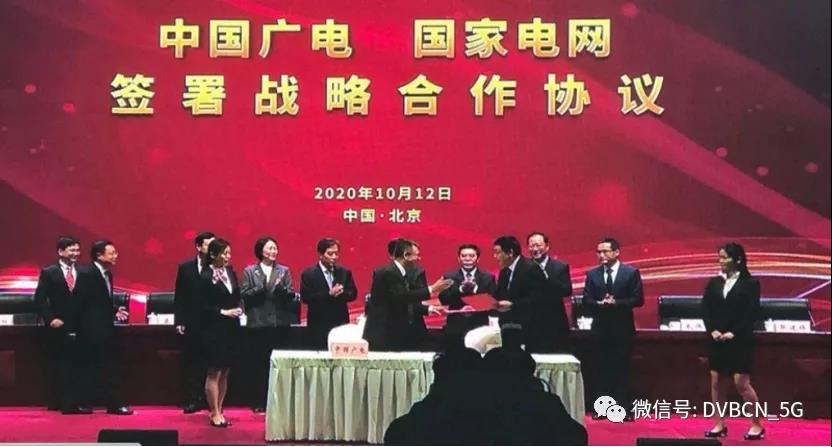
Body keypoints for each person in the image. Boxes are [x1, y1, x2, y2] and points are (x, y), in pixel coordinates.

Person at [702, 242, 764, 440]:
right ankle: (719, 424)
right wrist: (712, 330)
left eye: (725, 257)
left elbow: (751, 313)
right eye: (719, 257)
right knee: (717, 383)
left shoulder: (750, 284)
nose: (720, 261)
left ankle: (757, 424)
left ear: (738, 260)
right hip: (717, 340)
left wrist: (733, 332)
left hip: (740, 340)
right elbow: (705, 309)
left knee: (741, 383)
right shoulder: (714, 282)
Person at [582, 237, 643, 422]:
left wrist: (616, 303)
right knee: (601, 369)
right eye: (599, 252)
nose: (601, 255)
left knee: (622, 369)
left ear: (616, 252)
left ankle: (623, 409)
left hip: (622, 328)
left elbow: (638, 299)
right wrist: (600, 304)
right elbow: (586, 300)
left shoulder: (630, 273)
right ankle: (602, 408)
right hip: (600, 329)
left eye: (605, 251)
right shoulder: (592, 274)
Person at [74, 240, 132, 415]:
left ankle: (113, 404)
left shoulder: (108, 274)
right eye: (111, 253)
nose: (115, 256)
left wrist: (114, 310)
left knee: (109, 366)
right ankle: (84, 403)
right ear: (99, 255)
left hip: (105, 328)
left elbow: (101, 300)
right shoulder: (87, 273)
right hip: (90, 330)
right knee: (90, 367)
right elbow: (80, 302)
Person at [239, 236, 295, 413]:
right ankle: (259, 401)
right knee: (259, 364)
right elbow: (244, 295)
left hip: (279, 323)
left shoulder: (283, 271)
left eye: (275, 248)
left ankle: (279, 402)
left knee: (278, 363)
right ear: (261, 251)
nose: (273, 251)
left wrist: (280, 289)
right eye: (270, 248)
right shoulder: (250, 271)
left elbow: (290, 294)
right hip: (258, 323)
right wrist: (262, 287)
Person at [363, 239, 451, 350]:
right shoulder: (388, 272)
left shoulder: (399, 272)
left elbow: (404, 300)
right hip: (383, 333)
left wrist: (429, 308)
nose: (418, 259)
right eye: (416, 255)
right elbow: (402, 297)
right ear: (406, 255)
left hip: (394, 332)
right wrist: (432, 289)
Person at [34, 236, 88, 414]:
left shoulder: (84, 271)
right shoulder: (49, 272)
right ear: (60, 252)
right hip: (58, 326)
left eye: (77, 250)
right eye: (72, 250)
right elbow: (40, 299)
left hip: (80, 326)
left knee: (78, 365)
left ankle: (73, 402)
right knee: (60, 366)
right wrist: (50, 319)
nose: (76, 253)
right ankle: (60, 402)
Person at [200, 239, 242, 427]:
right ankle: (214, 412)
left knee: (225, 370)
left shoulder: (230, 272)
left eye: (229, 253)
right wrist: (222, 312)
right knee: (214, 371)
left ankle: (220, 408)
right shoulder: (205, 275)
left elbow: (236, 295)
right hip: (214, 328)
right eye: (224, 253)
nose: (227, 257)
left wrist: (239, 308)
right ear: (213, 255)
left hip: (231, 328)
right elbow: (201, 305)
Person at [174, 231, 215, 414]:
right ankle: (192, 399)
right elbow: (180, 296)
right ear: (198, 247)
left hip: (213, 322)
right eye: (208, 244)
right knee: (192, 362)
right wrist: (180, 320)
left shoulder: (218, 267)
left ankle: (210, 399)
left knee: (211, 362)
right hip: (192, 321)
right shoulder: (186, 268)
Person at [491, 235, 550, 352]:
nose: (495, 256)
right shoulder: (504, 271)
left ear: (510, 253)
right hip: (508, 328)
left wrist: (513, 304)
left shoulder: (531, 268)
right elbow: (499, 295)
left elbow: (539, 299)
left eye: (498, 253)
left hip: (529, 329)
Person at [300, 238, 358, 349]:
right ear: (321, 255)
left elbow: (353, 293)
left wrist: (341, 293)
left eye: (336, 253)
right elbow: (306, 298)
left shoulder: (344, 272)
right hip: (318, 324)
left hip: (340, 322)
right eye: (330, 254)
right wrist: (329, 294)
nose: (334, 257)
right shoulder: (309, 274)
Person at [438, 243, 495, 345]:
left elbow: (492, 301)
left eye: (471, 256)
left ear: (478, 259)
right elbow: (443, 299)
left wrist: (475, 289)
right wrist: (460, 290)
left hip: (479, 325)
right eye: (464, 256)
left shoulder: (488, 277)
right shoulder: (449, 276)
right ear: (459, 258)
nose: (467, 259)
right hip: (455, 326)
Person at [527, 232, 573, 352]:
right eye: (532, 246)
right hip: (531, 324)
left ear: (547, 247)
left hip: (555, 322)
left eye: (538, 245)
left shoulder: (560, 267)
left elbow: (567, 290)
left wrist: (546, 277)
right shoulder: (523, 268)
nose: (535, 249)